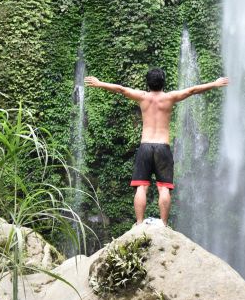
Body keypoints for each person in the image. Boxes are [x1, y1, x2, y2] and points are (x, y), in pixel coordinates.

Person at [84, 67, 229, 226]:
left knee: (141, 187)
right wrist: (214, 84)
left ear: (147, 83)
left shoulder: (142, 97)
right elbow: (193, 90)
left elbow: (120, 89)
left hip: (145, 146)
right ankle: (164, 224)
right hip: (163, 147)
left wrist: (99, 83)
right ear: (163, 82)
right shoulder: (169, 97)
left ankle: (139, 223)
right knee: (164, 188)